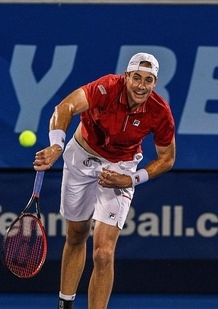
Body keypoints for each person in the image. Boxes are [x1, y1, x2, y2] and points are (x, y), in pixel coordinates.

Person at [33, 52, 176, 309]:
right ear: (126, 76)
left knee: (103, 252)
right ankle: (65, 305)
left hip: (121, 166)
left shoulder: (160, 111)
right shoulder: (106, 87)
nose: (141, 86)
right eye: (136, 78)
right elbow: (64, 107)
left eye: (148, 80)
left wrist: (130, 179)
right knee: (76, 235)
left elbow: (167, 158)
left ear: (154, 83)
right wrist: (56, 146)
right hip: (81, 156)